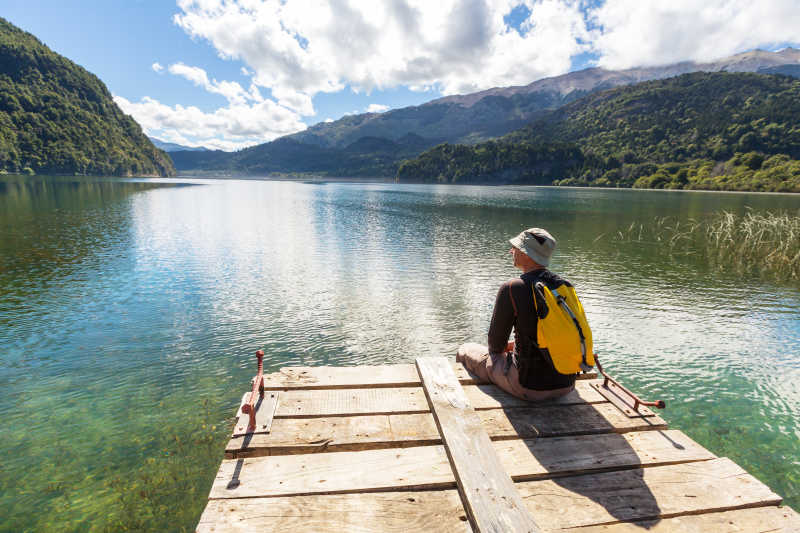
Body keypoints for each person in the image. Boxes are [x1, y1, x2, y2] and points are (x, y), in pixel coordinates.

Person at [456, 227, 576, 401]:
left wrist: (509, 348)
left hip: (528, 387)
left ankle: (463, 401)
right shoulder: (565, 287)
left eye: (516, 248)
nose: (511, 251)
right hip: (567, 385)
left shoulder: (512, 288)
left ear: (527, 254)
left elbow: (495, 347)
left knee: (465, 350)